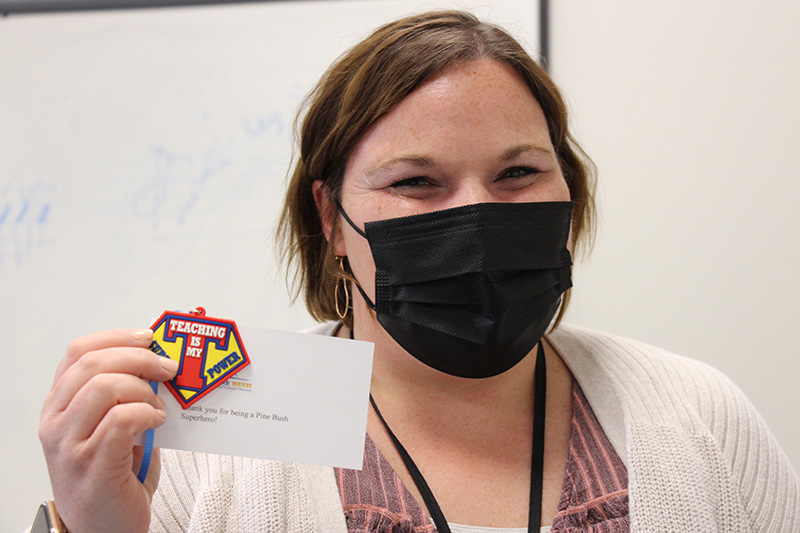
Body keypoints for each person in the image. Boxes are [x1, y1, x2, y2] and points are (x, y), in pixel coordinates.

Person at [35, 10, 798, 533]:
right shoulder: (202, 459)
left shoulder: (701, 416)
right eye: (416, 183)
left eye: (519, 172)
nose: (476, 215)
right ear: (332, 219)